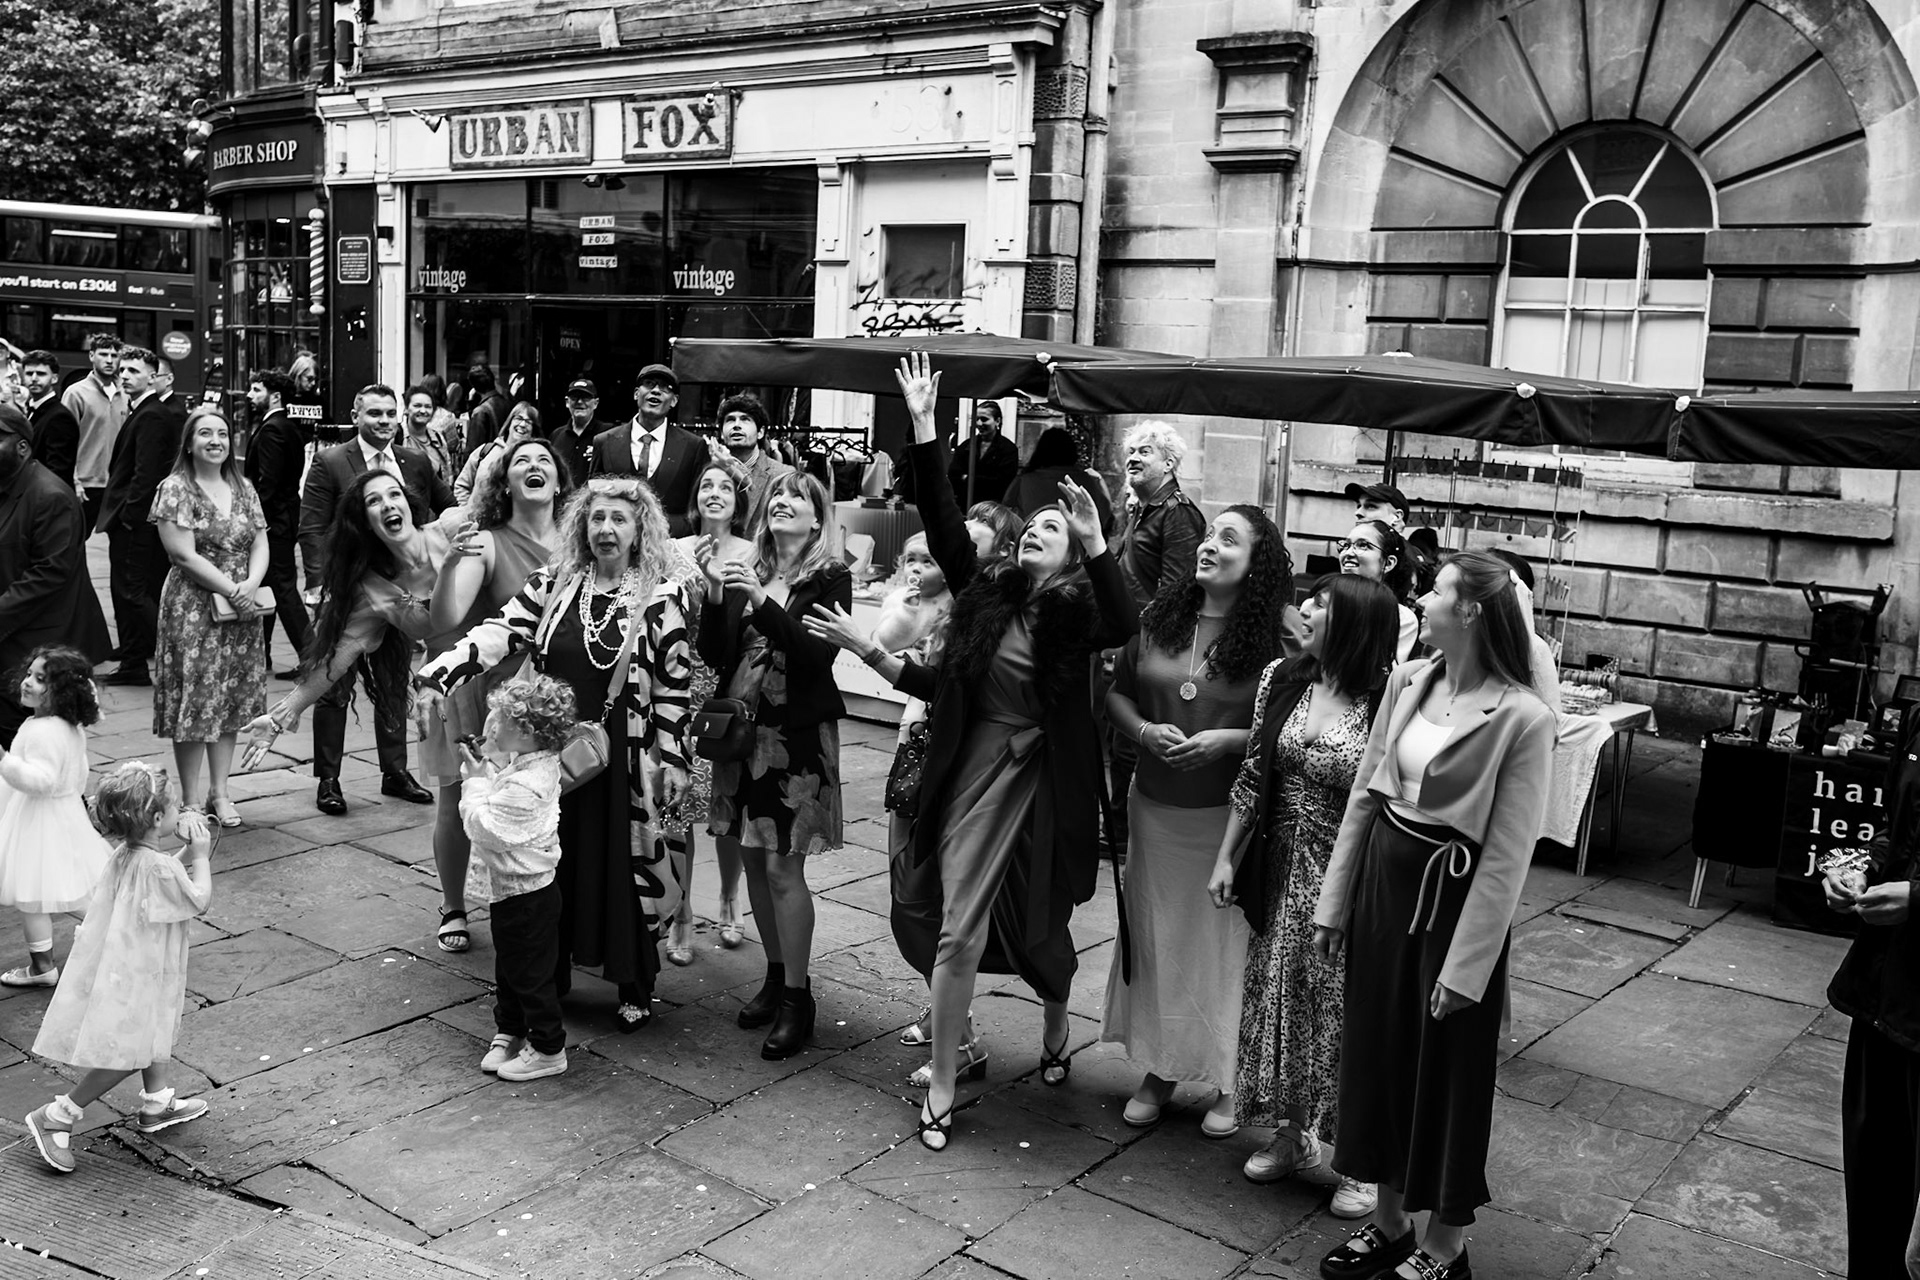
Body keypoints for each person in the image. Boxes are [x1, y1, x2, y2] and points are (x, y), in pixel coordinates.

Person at [811, 352, 1131, 1151]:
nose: (1035, 536)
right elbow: (948, 525)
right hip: (966, 776)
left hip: (1037, 787)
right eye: (1035, 528)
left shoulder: (1075, 615)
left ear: (1070, 553)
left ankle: (1057, 1011)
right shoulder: (987, 594)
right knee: (950, 925)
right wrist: (924, 425)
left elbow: (1123, 622)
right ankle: (949, 1076)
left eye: (1053, 531)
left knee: (1038, 928)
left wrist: (1097, 541)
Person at [1312, 550, 1554, 1280]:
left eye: (1438, 589)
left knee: (1448, 1073)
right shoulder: (1407, 679)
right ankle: (1387, 1223)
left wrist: (1469, 964)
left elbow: (1510, 856)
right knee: (1377, 1054)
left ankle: (1446, 1241)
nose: (1421, 596)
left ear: (1473, 610)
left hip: (1454, 902)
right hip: (1384, 890)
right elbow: (1365, 794)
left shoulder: (1524, 716)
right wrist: (1334, 901)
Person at [413, 476, 692, 1035]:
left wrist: (676, 761)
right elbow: (497, 632)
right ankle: (553, 973)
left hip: (627, 762)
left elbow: (674, 686)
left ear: (640, 531)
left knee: (624, 864)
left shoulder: (663, 595)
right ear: (581, 527)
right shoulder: (556, 582)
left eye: (619, 519)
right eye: (596, 519)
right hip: (552, 755)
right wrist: (436, 675)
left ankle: (635, 982)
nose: (606, 529)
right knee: (554, 864)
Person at [1207, 575, 1399, 1217]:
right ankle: (1292, 1134)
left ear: (1357, 626)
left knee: (1340, 1009)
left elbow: (1389, 801)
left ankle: (1360, 1158)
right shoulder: (1282, 678)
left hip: (1347, 872)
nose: (1307, 610)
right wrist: (1226, 856)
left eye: (1323, 605)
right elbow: (1255, 771)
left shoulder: (1386, 698)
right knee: (1279, 997)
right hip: (1279, 861)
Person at [1100, 505, 1291, 1138]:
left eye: (1227, 540)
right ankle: (1159, 1068)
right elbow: (1119, 693)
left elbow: (1298, 721)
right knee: (1157, 941)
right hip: (1152, 807)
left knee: (1222, 948)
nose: (1209, 546)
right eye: (1210, 535)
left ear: (1256, 563)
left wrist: (1228, 741)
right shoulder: (1161, 616)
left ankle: (1229, 1074)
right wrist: (1145, 730)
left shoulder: (1276, 635)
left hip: (1227, 817)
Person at [696, 470, 850, 1060]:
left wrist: (763, 603)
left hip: (796, 738)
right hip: (742, 733)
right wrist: (716, 594)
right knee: (755, 863)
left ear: (817, 518)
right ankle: (774, 973)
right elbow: (716, 655)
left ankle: (797, 998)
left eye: (800, 498)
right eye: (777, 495)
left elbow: (815, 656)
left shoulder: (830, 576)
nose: (784, 503)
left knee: (786, 870)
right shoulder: (748, 570)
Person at [24, 762, 213, 1174]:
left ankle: (157, 1101)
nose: (181, 812)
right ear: (159, 818)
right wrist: (201, 854)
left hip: (124, 964)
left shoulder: (126, 855)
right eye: (177, 807)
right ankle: (59, 1114)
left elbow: (166, 878)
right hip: (142, 967)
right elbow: (197, 898)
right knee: (130, 1048)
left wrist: (185, 854)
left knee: (149, 1029)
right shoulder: (157, 866)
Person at [421, 436, 569, 954]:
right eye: (519, 461)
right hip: (489, 697)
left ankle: (541, 902)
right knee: (460, 800)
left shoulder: (580, 543)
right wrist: (445, 571)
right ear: (504, 481)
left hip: (550, 697)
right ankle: (454, 904)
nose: (532, 466)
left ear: (558, 481)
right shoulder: (485, 540)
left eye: (543, 459)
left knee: (550, 801)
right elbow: (446, 619)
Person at [297, 384, 453, 814]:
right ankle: (328, 778)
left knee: (392, 681)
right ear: (355, 415)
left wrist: (436, 559)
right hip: (345, 592)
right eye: (375, 414)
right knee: (333, 682)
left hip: (400, 594)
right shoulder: (330, 461)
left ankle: (395, 772)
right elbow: (311, 527)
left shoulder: (415, 461)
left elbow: (446, 504)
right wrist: (318, 585)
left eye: (390, 414)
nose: (384, 421)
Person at [1824, 707, 1920, 1280]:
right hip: (1883, 991)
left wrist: (1918, 896)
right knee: (1875, 1179)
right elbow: (1898, 823)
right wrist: (1865, 870)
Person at [151, 405, 269, 828]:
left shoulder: (244, 486)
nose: (215, 440)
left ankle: (221, 791)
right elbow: (181, 553)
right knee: (196, 698)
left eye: (222, 433)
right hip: (194, 605)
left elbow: (260, 542)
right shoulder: (175, 488)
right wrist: (232, 588)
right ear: (189, 442)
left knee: (231, 698)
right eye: (205, 433)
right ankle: (191, 798)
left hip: (242, 605)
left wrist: (251, 584)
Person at [665, 455, 757, 965]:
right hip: (678, 687)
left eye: (725, 486)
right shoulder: (674, 550)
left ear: (738, 501)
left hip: (727, 688)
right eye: (706, 485)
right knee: (679, 807)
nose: (714, 492)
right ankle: (680, 912)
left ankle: (728, 897)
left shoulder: (753, 552)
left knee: (725, 808)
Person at [462, 674, 574, 1082]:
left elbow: (484, 826)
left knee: (529, 974)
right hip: (515, 891)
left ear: (525, 731)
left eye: (500, 719)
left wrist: (473, 783)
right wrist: (485, 769)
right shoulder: (526, 766)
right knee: (510, 967)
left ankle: (548, 1048)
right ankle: (510, 1028)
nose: (491, 724)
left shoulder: (528, 784)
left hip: (527, 896)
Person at [0, 647, 112, 988]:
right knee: (67, 885)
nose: (27, 683)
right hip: (63, 814)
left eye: (40, 679)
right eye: (30, 674)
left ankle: (42, 967)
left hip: (39, 820)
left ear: (61, 692)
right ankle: (115, 926)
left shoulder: (42, 730)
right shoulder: (66, 725)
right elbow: (76, 772)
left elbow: (42, 781)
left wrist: (5, 761)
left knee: (32, 896)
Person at [0, 405, 111, 746]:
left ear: (22, 447)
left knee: (35, 746)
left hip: (37, 643)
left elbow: (49, 574)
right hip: (13, 636)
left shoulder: (50, 496)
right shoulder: (9, 486)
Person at [96, 347, 183, 688]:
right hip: (128, 520)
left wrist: (131, 518)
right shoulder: (141, 411)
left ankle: (176, 653)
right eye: (123, 370)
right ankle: (134, 661)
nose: (125, 375)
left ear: (152, 375)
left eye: (134, 370)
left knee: (133, 592)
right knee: (125, 591)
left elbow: (146, 475)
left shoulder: (151, 414)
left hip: (134, 521)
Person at [244, 369, 310, 676]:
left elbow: (267, 483)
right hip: (283, 518)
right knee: (269, 584)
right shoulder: (287, 426)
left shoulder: (272, 429)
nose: (249, 395)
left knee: (282, 588)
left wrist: (254, 519)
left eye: (256, 390)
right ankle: (262, 654)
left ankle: (310, 656)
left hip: (274, 523)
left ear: (275, 396)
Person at [591, 365, 706, 537]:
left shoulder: (693, 446)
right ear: (636, 394)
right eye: (649, 384)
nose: (656, 391)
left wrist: (663, 529)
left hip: (670, 545)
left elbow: (697, 507)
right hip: (615, 543)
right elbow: (593, 498)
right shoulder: (604, 442)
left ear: (674, 401)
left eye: (665, 388)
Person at [60, 334, 123, 529]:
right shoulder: (75, 393)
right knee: (76, 542)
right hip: (86, 483)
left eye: (114, 355)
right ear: (91, 356)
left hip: (116, 483)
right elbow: (64, 441)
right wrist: (74, 480)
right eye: (103, 354)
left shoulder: (126, 393)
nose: (110, 360)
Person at [1339, 519, 1423, 662]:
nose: (1348, 552)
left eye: (1363, 545)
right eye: (1346, 545)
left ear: (1388, 563)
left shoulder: (1400, 618)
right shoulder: (1325, 604)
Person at [1004, 426, 1113, 534]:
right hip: (1078, 545)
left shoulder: (1023, 481)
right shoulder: (1087, 481)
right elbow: (1105, 517)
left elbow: (1006, 513)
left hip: (1035, 539)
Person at [715, 392, 794, 516]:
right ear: (721, 433)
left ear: (760, 432)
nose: (736, 425)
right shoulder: (710, 473)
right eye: (730, 420)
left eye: (745, 419)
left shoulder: (783, 474)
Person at [454, 401, 541, 505]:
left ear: (533, 431)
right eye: (518, 418)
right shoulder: (486, 451)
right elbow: (462, 485)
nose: (522, 424)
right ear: (509, 423)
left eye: (528, 422)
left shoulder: (534, 463)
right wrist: (467, 512)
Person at [20, 351, 78, 491]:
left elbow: (58, 470)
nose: (34, 378)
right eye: (29, 373)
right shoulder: (31, 410)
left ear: (54, 378)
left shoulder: (59, 417)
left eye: (41, 374)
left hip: (45, 497)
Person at [946, 401, 1018, 507]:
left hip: (993, 507)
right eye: (976, 419)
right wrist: (983, 480)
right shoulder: (966, 446)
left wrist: (969, 478)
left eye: (984, 419)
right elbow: (953, 476)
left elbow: (1002, 483)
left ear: (997, 421)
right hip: (965, 505)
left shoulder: (1008, 449)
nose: (979, 423)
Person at [551, 378, 609, 488]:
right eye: (575, 397)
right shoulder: (556, 435)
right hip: (562, 502)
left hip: (593, 501)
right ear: (567, 402)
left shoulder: (606, 434)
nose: (579, 402)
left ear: (596, 403)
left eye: (585, 397)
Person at [402, 384, 457, 491]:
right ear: (406, 409)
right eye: (417, 406)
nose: (423, 411)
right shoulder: (396, 436)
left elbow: (447, 476)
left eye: (428, 407)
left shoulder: (438, 438)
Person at [462, 365, 511, 468]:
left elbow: (472, 450)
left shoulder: (480, 411)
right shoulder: (509, 404)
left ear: (474, 387)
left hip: (488, 466)